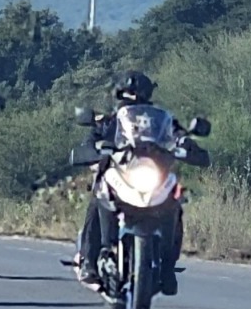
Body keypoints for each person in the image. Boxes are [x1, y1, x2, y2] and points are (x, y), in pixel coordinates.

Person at [77, 70, 188, 296]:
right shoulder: (111, 121)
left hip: (152, 176)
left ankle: (168, 266)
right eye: (129, 93)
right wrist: (93, 149)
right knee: (98, 197)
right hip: (120, 175)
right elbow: (92, 138)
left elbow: (178, 135)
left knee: (175, 203)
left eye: (138, 93)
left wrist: (186, 144)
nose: (133, 97)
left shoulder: (160, 121)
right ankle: (90, 259)